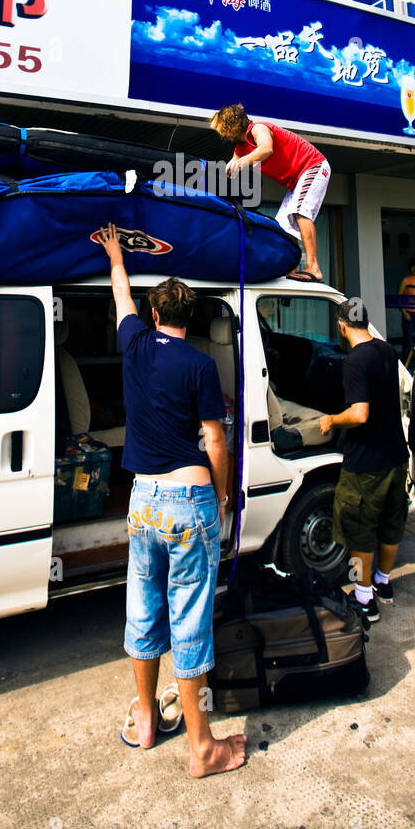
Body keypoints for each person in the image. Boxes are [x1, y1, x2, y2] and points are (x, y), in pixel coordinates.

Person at [95, 223, 247, 778]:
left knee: (144, 612)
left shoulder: (134, 343)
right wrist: (225, 496)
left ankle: (145, 722)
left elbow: (119, 292)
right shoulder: (202, 365)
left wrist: (116, 253)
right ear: (192, 319)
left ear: (156, 316)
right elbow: (214, 439)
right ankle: (202, 749)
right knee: (189, 619)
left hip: (143, 501)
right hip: (189, 499)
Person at [318, 299, 409, 623]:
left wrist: (331, 420)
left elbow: (359, 414)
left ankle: (363, 598)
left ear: (341, 327)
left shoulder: (355, 361)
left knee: (359, 533)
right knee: (391, 524)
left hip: (366, 464)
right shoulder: (385, 350)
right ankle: (383, 582)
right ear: (367, 321)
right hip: (396, 457)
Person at [210, 104, 331, 282]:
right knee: (283, 224)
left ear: (232, 125)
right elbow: (230, 169)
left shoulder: (258, 128)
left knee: (300, 212)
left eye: (223, 130)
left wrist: (243, 161)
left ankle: (313, 267)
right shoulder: (240, 148)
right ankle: (292, 266)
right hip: (296, 180)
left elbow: (266, 149)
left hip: (312, 165)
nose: (223, 135)